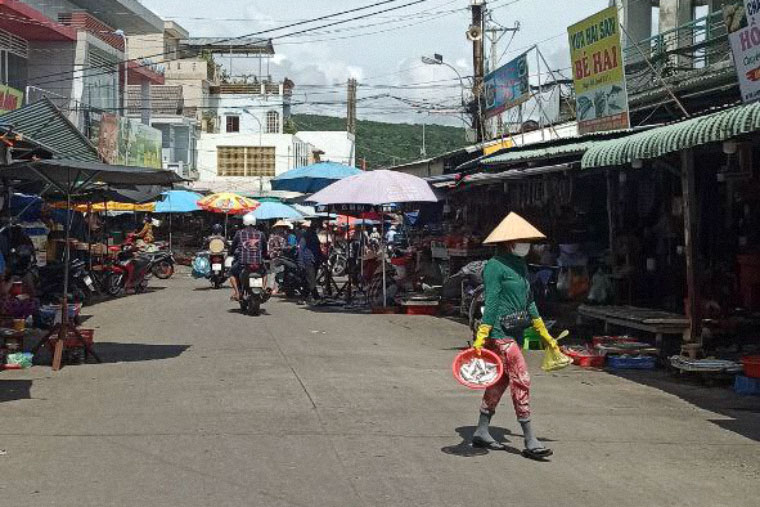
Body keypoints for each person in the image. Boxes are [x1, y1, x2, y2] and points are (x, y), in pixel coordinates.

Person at [471, 212, 564, 459]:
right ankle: (530, 438)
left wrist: (544, 333)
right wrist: (482, 335)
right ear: (508, 242)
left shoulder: (520, 265)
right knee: (521, 378)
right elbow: (490, 303)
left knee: (500, 380)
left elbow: (529, 301)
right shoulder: (494, 267)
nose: (526, 245)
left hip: (517, 331)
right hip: (500, 333)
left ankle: (481, 429)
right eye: (521, 239)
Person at [228, 214, 267, 301]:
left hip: (243, 263)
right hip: (258, 263)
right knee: (264, 273)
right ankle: (263, 289)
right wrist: (265, 256)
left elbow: (233, 246)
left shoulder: (239, 233)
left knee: (231, 273)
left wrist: (230, 253)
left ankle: (237, 293)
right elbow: (264, 249)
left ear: (244, 223)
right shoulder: (261, 234)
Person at [297, 221, 323, 303]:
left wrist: (322, 257)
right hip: (308, 260)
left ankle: (303, 298)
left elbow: (318, 248)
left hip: (315, 259)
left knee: (309, 280)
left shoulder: (314, 235)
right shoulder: (306, 235)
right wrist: (300, 262)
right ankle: (316, 297)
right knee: (311, 280)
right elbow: (301, 249)